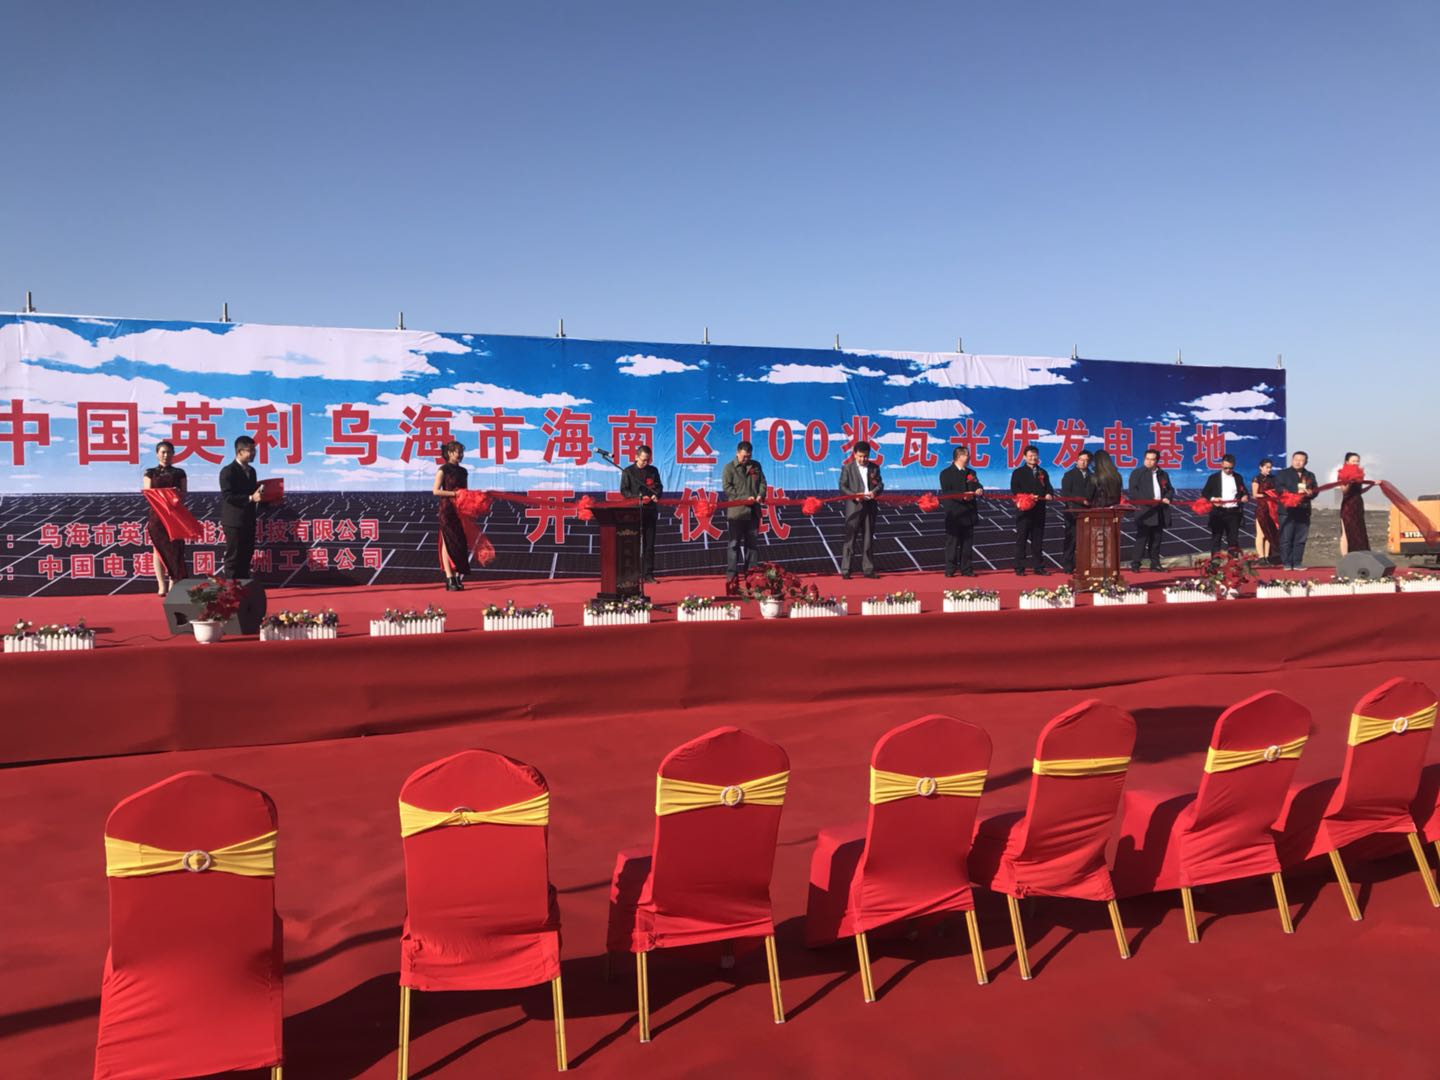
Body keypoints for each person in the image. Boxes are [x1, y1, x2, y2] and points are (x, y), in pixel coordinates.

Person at [142, 440, 188, 595]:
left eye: (169, 452)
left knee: (175, 549)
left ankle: (173, 582)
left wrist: (176, 493)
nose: (166, 455)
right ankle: (161, 584)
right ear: (157, 454)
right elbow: (148, 493)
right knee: (158, 549)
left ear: (173, 454)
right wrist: (164, 494)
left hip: (175, 515)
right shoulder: (150, 472)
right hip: (157, 515)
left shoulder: (179, 473)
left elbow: (184, 493)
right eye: (163, 452)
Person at [218, 435, 263, 579]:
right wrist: (250, 498)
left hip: (249, 520)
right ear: (239, 452)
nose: (254, 453)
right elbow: (228, 496)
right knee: (234, 557)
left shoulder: (252, 471)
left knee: (246, 555)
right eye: (250, 450)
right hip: (234, 522)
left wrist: (266, 498)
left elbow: (254, 494)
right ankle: (231, 588)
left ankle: (243, 586)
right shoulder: (228, 471)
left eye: (254, 450)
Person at [722, 440, 767, 582]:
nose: (746, 459)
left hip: (753, 513)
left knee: (752, 545)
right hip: (737, 513)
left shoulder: (756, 466)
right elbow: (727, 488)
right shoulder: (729, 468)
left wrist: (760, 495)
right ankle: (732, 574)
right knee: (734, 544)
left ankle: (751, 574)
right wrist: (744, 498)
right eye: (743, 456)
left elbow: (763, 483)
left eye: (748, 456)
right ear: (737, 453)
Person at [839, 441, 883, 579]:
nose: (863, 459)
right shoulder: (847, 468)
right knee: (850, 539)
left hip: (870, 507)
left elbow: (880, 484)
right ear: (854, 454)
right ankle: (846, 570)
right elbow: (842, 486)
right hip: (854, 508)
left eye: (866, 456)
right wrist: (854, 495)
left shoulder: (874, 468)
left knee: (868, 539)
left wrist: (874, 492)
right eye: (860, 456)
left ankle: (868, 569)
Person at [1126, 448, 1174, 572]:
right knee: (1141, 539)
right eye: (1147, 459)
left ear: (1157, 461)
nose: (1149, 462)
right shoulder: (1137, 473)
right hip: (1145, 511)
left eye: (1152, 459)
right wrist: (1148, 501)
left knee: (1156, 539)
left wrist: (1167, 497)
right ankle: (1136, 564)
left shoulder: (1163, 474)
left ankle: (1155, 564)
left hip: (1159, 511)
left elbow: (1170, 489)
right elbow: (1133, 492)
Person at [621, 444, 663, 581]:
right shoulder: (628, 471)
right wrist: (638, 498)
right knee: (633, 544)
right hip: (634, 511)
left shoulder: (653, 470)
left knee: (649, 544)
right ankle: (632, 574)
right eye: (643, 460)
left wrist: (656, 494)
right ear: (636, 457)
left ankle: (648, 574)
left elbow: (659, 486)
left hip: (650, 511)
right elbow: (624, 490)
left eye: (648, 460)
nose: (646, 462)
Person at [1009, 444, 1053, 575]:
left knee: (1038, 540)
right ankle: (1019, 567)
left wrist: (1049, 494)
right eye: (1030, 456)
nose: (1033, 458)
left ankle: (1038, 567)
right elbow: (1015, 490)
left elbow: (1048, 487)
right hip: (1024, 511)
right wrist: (1028, 496)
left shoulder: (1042, 472)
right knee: (1021, 539)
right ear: (1024, 457)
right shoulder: (1018, 472)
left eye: (1035, 455)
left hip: (1039, 510)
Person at [939, 446, 983, 576]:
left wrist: (979, 489)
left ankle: (966, 569)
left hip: (969, 512)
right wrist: (962, 495)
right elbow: (947, 491)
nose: (969, 457)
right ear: (959, 456)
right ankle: (950, 569)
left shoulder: (971, 472)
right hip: (954, 513)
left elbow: (977, 485)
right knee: (952, 543)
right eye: (967, 455)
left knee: (967, 543)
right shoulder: (946, 473)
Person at [432, 440, 470, 590]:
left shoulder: (463, 471)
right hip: (447, 509)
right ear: (449, 453)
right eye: (457, 452)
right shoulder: (443, 470)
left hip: (460, 510)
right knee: (447, 542)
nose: (460, 455)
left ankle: (457, 576)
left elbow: (465, 490)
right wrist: (455, 494)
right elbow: (436, 491)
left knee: (460, 544)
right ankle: (449, 578)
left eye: (462, 452)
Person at [1274, 450, 1318, 570]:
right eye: (1296, 459)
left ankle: (1297, 562)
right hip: (1287, 511)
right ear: (1292, 460)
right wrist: (1295, 492)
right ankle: (1287, 563)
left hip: (1303, 510)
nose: (1298, 462)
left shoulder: (1310, 475)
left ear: (1306, 462)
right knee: (1286, 538)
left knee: (1300, 539)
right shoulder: (1283, 474)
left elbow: (1315, 490)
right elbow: (1279, 488)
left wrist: (1310, 493)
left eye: (1301, 460)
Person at [1201, 453, 1248, 553]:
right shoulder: (1213, 478)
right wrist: (1214, 499)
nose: (1228, 470)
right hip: (1218, 512)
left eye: (1230, 468)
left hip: (1234, 513)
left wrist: (1245, 496)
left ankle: (1233, 561)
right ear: (1221, 464)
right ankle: (1215, 561)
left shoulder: (1238, 477)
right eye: (1225, 468)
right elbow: (1205, 493)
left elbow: (1244, 491)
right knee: (1216, 539)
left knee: (1233, 540)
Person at [1059, 448, 1097, 573]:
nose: (1083, 462)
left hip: (1089, 512)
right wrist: (1081, 501)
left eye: (1086, 460)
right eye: (1081, 460)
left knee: (1087, 540)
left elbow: (1096, 493)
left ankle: (1085, 565)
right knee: (1071, 540)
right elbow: (1065, 493)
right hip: (1073, 511)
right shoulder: (1069, 475)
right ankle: (1068, 565)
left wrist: (1091, 503)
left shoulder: (1093, 476)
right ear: (1077, 460)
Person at [1338, 451, 1370, 554]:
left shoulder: (1359, 475)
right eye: (1353, 461)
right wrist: (1349, 482)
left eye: (1357, 461)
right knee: (1346, 531)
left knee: (1359, 530)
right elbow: (1344, 491)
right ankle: (1345, 557)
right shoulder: (1343, 473)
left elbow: (1359, 491)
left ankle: (1359, 554)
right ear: (1347, 462)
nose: (1356, 463)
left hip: (1358, 504)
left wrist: (1372, 484)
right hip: (1348, 505)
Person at [1252, 458, 1281, 565]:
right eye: (1266, 467)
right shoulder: (1257, 478)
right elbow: (1255, 495)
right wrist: (1267, 494)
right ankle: (1261, 557)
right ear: (1261, 467)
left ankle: (1268, 557)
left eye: (1270, 467)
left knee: (1269, 533)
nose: (1269, 469)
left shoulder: (1273, 479)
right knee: (1261, 534)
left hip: (1272, 509)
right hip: (1262, 508)